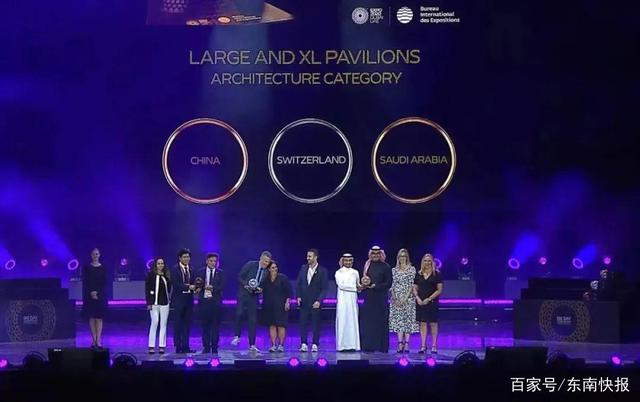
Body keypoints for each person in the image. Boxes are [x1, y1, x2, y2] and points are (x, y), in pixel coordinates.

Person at [232, 251, 272, 352]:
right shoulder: (250, 264)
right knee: (239, 313)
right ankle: (237, 336)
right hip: (244, 294)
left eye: (268, 262)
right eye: (264, 261)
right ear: (260, 258)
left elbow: (265, 285)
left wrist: (261, 289)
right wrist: (246, 285)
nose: (266, 263)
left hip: (254, 297)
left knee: (253, 320)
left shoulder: (267, 272)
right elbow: (240, 277)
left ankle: (252, 344)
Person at [359, 245, 392, 353]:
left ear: (381, 254)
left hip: (381, 298)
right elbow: (364, 280)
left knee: (381, 322)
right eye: (373, 253)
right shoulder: (367, 265)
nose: (375, 255)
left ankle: (382, 346)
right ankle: (369, 346)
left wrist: (376, 286)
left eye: (377, 254)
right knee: (368, 322)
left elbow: (389, 283)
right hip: (369, 298)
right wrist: (363, 285)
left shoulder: (386, 266)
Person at [296, 249, 328, 352]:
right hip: (304, 301)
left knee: (316, 324)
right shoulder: (303, 268)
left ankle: (315, 343)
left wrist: (319, 300)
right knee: (303, 323)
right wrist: (298, 296)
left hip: (315, 302)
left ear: (315, 257)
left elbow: (324, 288)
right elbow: (299, 284)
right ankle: (303, 343)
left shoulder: (322, 271)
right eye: (307, 256)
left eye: (310, 256)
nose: (308, 258)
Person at [389, 248, 418, 353]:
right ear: (398, 257)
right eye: (401, 256)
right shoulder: (394, 270)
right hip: (396, 298)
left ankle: (407, 344)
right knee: (398, 321)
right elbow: (392, 285)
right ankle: (400, 344)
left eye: (404, 256)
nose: (402, 258)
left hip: (408, 298)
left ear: (407, 257)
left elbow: (411, 285)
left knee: (407, 321)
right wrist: (395, 298)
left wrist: (405, 298)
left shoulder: (412, 269)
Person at [414, 253, 444, 354]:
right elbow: (415, 288)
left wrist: (429, 299)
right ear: (423, 262)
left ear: (432, 262)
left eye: (429, 261)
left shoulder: (437, 274)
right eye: (425, 261)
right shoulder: (419, 274)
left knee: (433, 323)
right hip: (421, 302)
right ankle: (423, 346)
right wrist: (417, 298)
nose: (427, 262)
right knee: (422, 323)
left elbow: (439, 290)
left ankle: (434, 346)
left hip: (432, 302)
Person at [261, 260, 293, 352]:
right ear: (268, 269)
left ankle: (281, 345)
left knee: (281, 325)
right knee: (272, 325)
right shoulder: (265, 279)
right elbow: (261, 290)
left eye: (276, 267)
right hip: (269, 306)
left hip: (281, 306)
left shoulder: (283, 278)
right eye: (273, 268)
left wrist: (287, 302)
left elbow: (289, 292)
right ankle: (273, 345)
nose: (275, 269)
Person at [170, 248, 197, 354]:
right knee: (178, 324)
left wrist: (196, 288)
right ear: (180, 258)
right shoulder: (174, 269)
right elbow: (175, 284)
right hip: (178, 300)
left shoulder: (192, 269)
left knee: (187, 324)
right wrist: (188, 287)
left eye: (188, 257)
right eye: (185, 257)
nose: (187, 259)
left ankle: (186, 346)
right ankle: (178, 346)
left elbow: (194, 283)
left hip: (189, 300)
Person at [196, 252, 225, 354]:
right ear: (207, 261)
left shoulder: (220, 273)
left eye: (215, 261)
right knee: (205, 326)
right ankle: (206, 347)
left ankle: (215, 347)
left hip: (216, 303)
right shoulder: (200, 272)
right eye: (211, 261)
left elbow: (222, 286)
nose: (213, 263)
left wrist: (213, 288)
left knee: (215, 326)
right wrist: (199, 288)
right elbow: (197, 284)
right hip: (204, 303)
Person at [145, 257, 172, 354]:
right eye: (159, 263)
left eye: (162, 263)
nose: (161, 265)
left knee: (163, 324)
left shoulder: (166, 275)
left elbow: (169, 289)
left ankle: (161, 346)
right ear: (155, 265)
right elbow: (147, 289)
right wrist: (148, 303)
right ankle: (151, 345)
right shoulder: (150, 275)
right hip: (154, 303)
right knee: (155, 322)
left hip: (164, 303)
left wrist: (167, 278)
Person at [82, 248, 107, 348]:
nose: (95, 256)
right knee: (92, 317)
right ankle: (93, 339)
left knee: (99, 318)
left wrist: (97, 292)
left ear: (99, 255)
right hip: (89, 295)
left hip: (101, 295)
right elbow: (86, 281)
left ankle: (98, 339)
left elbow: (104, 282)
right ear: (91, 255)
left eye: (97, 254)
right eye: (93, 254)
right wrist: (91, 292)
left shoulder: (103, 268)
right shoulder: (87, 268)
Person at [335, 253, 360, 352]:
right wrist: (355, 288)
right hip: (342, 301)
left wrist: (361, 287)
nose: (348, 262)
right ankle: (342, 346)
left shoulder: (355, 272)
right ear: (343, 261)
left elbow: (358, 285)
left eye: (350, 260)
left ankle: (353, 345)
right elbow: (341, 285)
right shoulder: (338, 272)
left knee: (353, 320)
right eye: (346, 260)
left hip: (353, 300)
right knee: (343, 320)